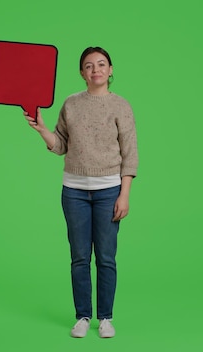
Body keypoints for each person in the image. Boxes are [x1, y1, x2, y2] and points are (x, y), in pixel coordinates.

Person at [24, 47, 138, 338]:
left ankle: (106, 317)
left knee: (106, 257)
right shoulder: (71, 104)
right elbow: (61, 144)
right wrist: (42, 129)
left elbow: (130, 154)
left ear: (111, 70)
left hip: (109, 191)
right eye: (89, 66)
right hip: (73, 191)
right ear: (82, 73)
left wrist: (124, 194)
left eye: (101, 64)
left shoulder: (121, 106)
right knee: (78, 257)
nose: (95, 70)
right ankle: (83, 316)